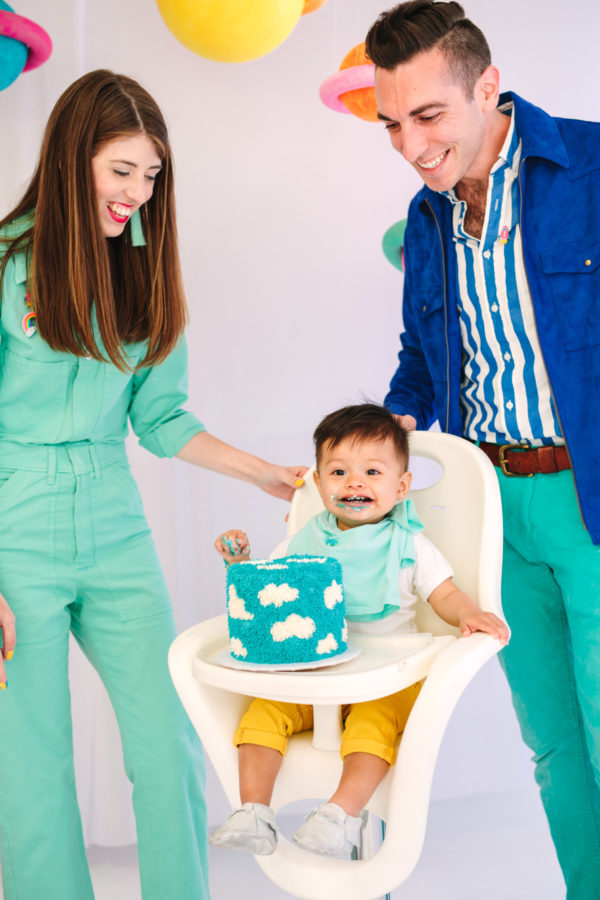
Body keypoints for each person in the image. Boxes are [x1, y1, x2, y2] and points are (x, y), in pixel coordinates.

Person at [0, 69, 307, 900]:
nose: (136, 192)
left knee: (167, 738)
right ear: (73, 161)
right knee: (31, 762)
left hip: (113, 521)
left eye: (151, 174)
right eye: (120, 170)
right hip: (12, 526)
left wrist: (265, 473)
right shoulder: (5, 265)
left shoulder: (146, 274)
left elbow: (161, 419)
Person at [365, 2, 600, 896]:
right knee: (551, 748)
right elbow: (420, 366)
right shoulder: (427, 222)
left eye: (429, 116)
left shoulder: (590, 167)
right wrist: (381, 433)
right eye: (392, 124)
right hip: (492, 514)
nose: (411, 145)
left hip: (589, 496)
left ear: (488, 87)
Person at [208, 403, 508, 859]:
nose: (355, 483)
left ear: (401, 486)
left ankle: (339, 816)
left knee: (372, 725)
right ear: (318, 481)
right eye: (339, 471)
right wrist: (241, 566)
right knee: (262, 714)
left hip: (387, 675)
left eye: (372, 471)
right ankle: (253, 811)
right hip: (314, 671)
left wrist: (469, 612)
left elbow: (443, 594)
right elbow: (274, 591)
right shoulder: (305, 536)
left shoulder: (408, 543)